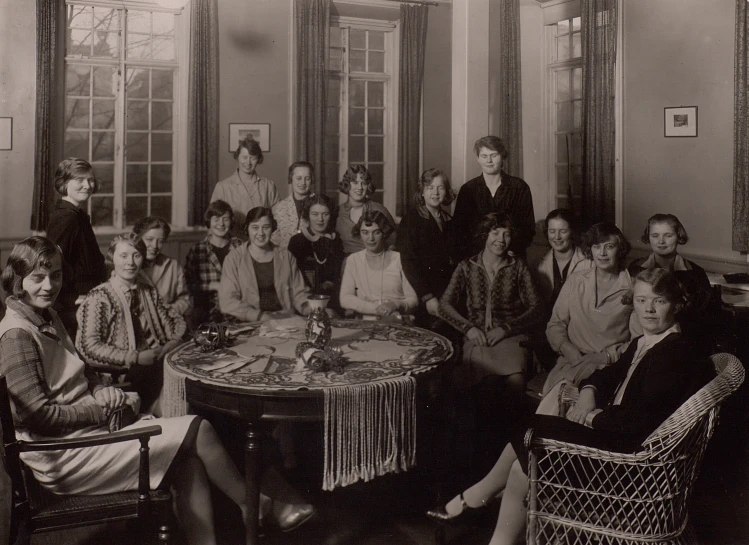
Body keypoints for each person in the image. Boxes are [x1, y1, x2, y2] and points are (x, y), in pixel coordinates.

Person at [0, 236, 315, 544]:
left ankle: (225, 526)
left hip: (81, 434)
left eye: (55, 276)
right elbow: (38, 415)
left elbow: (83, 370)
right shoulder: (17, 335)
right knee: (198, 427)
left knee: (187, 459)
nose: (49, 286)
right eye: (37, 278)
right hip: (62, 456)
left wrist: (98, 391)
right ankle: (256, 504)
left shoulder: (47, 315)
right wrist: (103, 408)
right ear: (17, 279)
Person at [427, 268, 713, 545]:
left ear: (676, 304)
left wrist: (590, 417)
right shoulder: (646, 341)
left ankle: (476, 496)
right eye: (641, 301)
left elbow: (640, 421)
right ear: (633, 304)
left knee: (530, 430)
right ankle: (486, 513)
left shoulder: (674, 352)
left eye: (659, 301)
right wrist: (588, 390)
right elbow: (604, 374)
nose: (648, 310)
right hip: (616, 440)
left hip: (630, 463)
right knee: (520, 465)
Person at [76, 234, 186, 415]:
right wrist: (134, 357)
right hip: (119, 378)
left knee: (184, 394)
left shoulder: (148, 292)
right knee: (176, 400)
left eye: (136, 255)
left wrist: (173, 343)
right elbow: (88, 349)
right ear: (112, 259)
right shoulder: (99, 297)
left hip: (155, 367)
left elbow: (176, 320)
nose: (131, 262)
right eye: (124, 255)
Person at [439, 212, 544, 394]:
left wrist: (506, 329)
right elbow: (444, 306)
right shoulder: (466, 266)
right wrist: (468, 328)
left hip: (511, 338)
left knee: (515, 382)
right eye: (495, 233)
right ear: (485, 234)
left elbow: (537, 308)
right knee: (486, 384)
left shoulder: (518, 267)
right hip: (478, 338)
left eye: (507, 234)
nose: (501, 239)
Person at [543, 222, 637, 395]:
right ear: (590, 250)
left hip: (609, 366)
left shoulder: (633, 287)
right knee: (554, 405)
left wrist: (608, 356)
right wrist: (565, 347)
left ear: (620, 249)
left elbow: (638, 341)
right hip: (572, 360)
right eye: (596, 246)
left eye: (609, 246)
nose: (602, 253)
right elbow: (555, 324)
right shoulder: (576, 280)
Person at [628, 213, 712, 352]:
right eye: (655, 236)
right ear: (648, 237)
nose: (661, 241)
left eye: (668, 235)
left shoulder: (695, 274)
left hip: (681, 342)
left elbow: (702, 320)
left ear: (679, 237)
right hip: (640, 337)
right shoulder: (636, 269)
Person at [46, 158, 108, 339]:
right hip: (75, 305)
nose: (87, 185)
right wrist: (70, 297)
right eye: (80, 180)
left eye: (90, 180)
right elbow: (53, 262)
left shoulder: (76, 215)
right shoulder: (67, 217)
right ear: (64, 183)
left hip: (87, 298)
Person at [219, 207, 311, 322]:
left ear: (273, 228)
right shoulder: (234, 259)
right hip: (251, 323)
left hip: (285, 321)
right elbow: (228, 301)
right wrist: (259, 316)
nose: (261, 233)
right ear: (247, 228)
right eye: (255, 227)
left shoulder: (286, 256)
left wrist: (315, 308)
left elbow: (299, 294)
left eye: (266, 227)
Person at [451, 136, 536, 259]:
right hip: (476, 258)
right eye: (484, 156)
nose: (489, 161)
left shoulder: (519, 187)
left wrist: (511, 250)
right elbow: (459, 229)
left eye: (494, 155)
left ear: (502, 158)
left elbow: (527, 228)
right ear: (478, 159)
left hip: (511, 257)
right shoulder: (468, 189)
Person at [396, 168, 456, 328]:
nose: (435, 193)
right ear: (422, 192)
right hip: (422, 295)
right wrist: (427, 297)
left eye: (440, 187)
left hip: (448, 294)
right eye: (430, 188)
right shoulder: (411, 220)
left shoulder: (449, 220)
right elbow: (408, 262)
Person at [339, 210, 417, 320]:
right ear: (360, 234)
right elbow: (345, 299)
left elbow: (413, 299)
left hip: (398, 321)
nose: (370, 238)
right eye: (365, 232)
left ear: (384, 233)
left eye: (376, 232)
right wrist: (378, 310)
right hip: (365, 324)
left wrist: (395, 304)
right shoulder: (353, 260)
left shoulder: (399, 259)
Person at [184, 200, 244, 328]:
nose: (221, 224)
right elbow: (188, 286)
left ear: (231, 221)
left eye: (226, 219)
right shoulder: (197, 250)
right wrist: (213, 286)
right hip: (207, 315)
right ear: (209, 222)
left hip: (238, 313)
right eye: (216, 219)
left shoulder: (240, 246)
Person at [288, 194, 344, 313]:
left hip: (334, 305)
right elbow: (292, 282)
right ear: (307, 215)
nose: (320, 219)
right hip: (305, 306)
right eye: (315, 214)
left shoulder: (337, 240)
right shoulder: (297, 242)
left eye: (325, 214)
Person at [211, 135, 279, 232]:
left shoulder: (269, 186)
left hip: (261, 240)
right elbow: (213, 221)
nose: (248, 162)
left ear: (259, 160)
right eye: (244, 157)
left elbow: (278, 219)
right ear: (237, 157)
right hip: (233, 242)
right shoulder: (222, 187)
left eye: (253, 158)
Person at [132, 216, 192, 318]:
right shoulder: (128, 266)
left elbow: (185, 300)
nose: (155, 246)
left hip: (167, 324)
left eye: (160, 241)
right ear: (137, 238)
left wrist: (166, 312)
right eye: (149, 239)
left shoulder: (172, 266)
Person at [532, 208, 593, 308]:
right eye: (552, 231)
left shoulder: (589, 262)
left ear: (572, 232)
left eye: (563, 231)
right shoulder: (537, 263)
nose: (557, 237)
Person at [335, 165, 396, 255]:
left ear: (368, 186)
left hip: (375, 262)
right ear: (347, 184)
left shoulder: (379, 209)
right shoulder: (337, 212)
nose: (359, 187)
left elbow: (393, 243)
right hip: (345, 264)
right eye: (355, 182)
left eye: (363, 183)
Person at [271, 161, 315, 249]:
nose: (303, 183)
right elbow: (275, 238)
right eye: (298, 178)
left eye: (307, 178)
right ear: (291, 179)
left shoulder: (319, 204)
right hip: (286, 257)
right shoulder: (280, 207)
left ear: (312, 180)